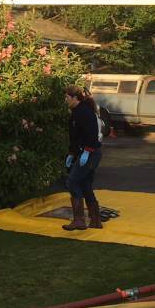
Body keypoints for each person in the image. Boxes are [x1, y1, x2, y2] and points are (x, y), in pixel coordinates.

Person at [62, 85, 103, 230]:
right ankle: (95, 220)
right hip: (84, 152)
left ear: (74, 98)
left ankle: (79, 219)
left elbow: (91, 134)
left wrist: (87, 151)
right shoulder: (76, 113)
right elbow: (75, 137)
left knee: (72, 182)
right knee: (85, 185)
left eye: (67, 97)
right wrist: (72, 154)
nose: (65, 100)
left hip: (90, 153)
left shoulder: (84, 113)